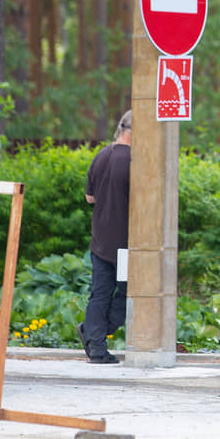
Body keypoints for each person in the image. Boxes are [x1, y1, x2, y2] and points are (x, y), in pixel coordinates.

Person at [78, 110, 132, 364]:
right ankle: (93, 333)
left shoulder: (101, 155)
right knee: (127, 293)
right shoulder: (135, 161)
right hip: (126, 244)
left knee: (99, 293)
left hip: (100, 239)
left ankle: (96, 346)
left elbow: (90, 198)